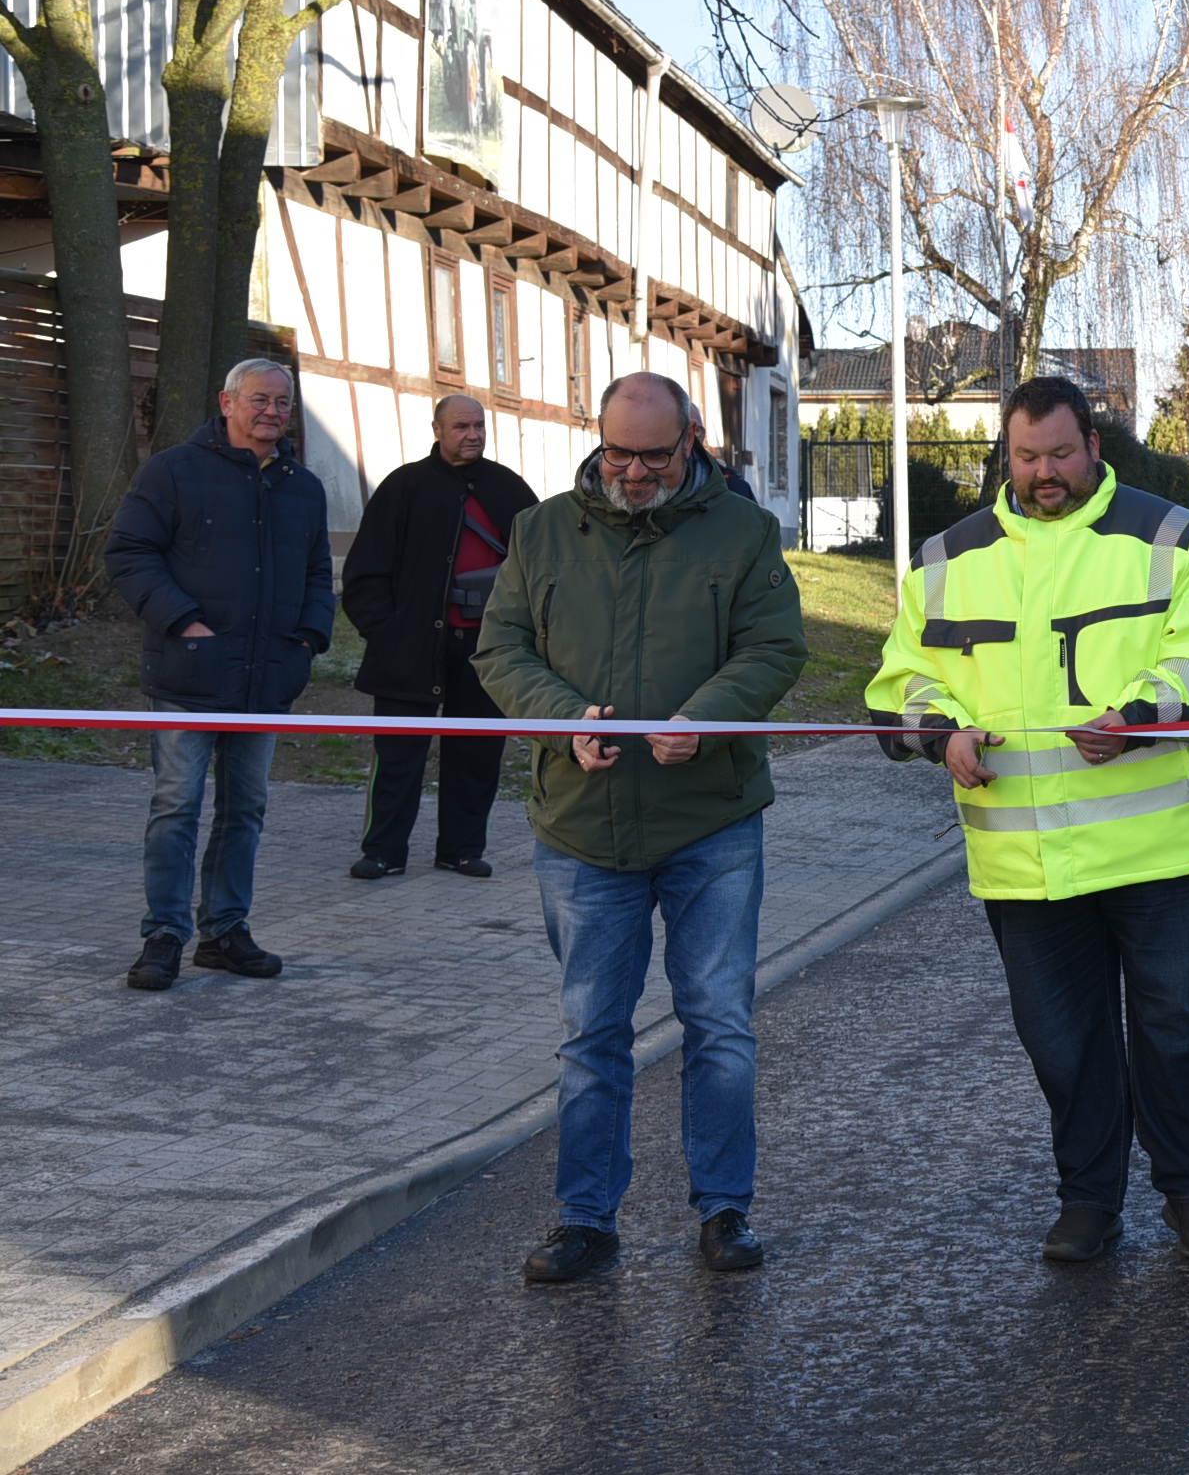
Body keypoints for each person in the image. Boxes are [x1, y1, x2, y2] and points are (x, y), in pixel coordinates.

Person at [865, 375, 1189, 1264]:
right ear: (1005, 455)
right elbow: (900, 683)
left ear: (1094, 448)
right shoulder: (945, 559)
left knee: (1182, 1030)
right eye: (1027, 457)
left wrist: (1140, 717)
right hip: (1027, 861)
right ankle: (1088, 1202)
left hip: (1159, 848)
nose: (1045, 473)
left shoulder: (1174, 536)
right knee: (1062, 1044)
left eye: (1061, 455)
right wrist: (942, 734)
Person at [475, 372, 809, 1284]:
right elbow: (501, 649)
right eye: (618, 452)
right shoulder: (541, 531)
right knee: (591, 1031)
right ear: (599, 436)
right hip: (583, 828)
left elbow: (775, 646)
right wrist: (562, 719)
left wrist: (707, 717)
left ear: (690, 441)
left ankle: (724, 1210)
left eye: (654, 456)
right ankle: (585, 1218)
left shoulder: (744, 532)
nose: (633, 472)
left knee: (719, 1023)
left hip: (711, 822)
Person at [107, 358, 335, 992]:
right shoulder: (174, 471)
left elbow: (318, 572)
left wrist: (308, 639)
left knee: (245, 810)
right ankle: (164, 934)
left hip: (268, 679)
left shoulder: (302, 487)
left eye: (282, 402)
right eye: (259, 399)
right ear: (227, 402)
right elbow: (127, 551)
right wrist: (183, 621)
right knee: (176, 807)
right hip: (190, 676)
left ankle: (225, 931)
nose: (272, 411)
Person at [340, 394, 539, 880]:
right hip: (410, 647)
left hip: (487, 651)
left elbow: (541, 568)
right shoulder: (404, 486)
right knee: (398, 755)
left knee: (476, 754)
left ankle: (462, 849)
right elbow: (364, 572)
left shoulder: (509, 489)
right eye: (460, 427)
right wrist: (386, 633)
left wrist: (520, 636)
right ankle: (384, 851)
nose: (472, 435)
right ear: (437, 430)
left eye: (478, 426)